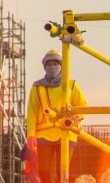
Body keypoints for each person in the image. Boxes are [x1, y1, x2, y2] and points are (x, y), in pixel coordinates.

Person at [25, 50, 86, 183]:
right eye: (49, 64)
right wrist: (31, 135)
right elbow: (32, 112)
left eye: (55, 63)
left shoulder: (71, 85)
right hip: (43, 134)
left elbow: (82, 106)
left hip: (66, 133)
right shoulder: (37, 87)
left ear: (61, 65)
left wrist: (75, 117)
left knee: (62, 172)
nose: (52, 67)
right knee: (44, 173)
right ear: (44, 67)